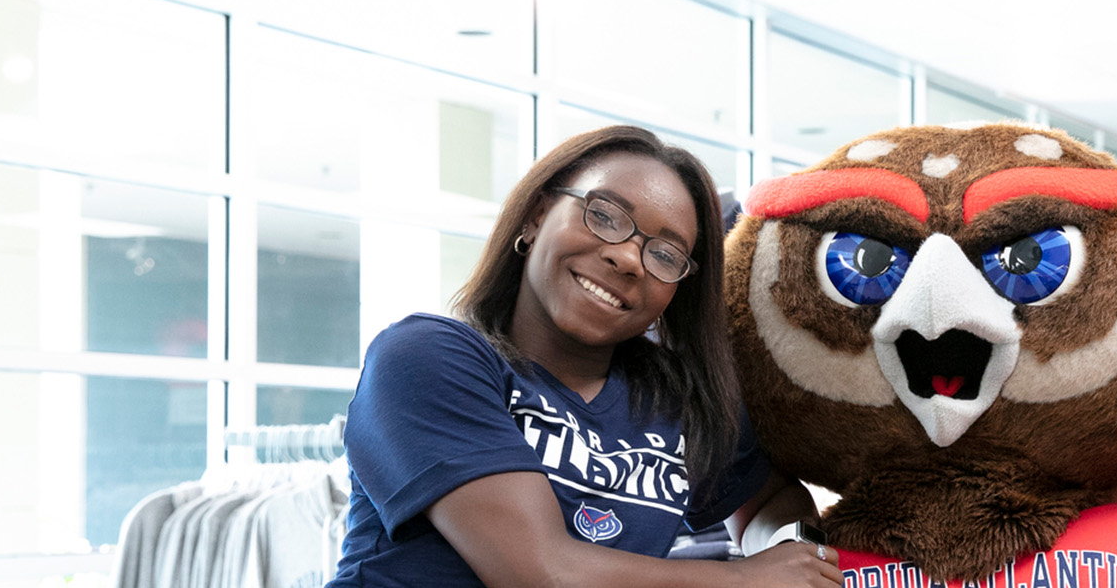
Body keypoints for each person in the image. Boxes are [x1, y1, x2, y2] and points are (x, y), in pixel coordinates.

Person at [328, 125, 842, 588]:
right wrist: (744, 581)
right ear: (534, 217)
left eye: (665, 255)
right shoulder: (425, 358)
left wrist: (789, 550)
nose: (626, 258)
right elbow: (542, 573)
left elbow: (768, 502)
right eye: (604, 216)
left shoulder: (676, 400)